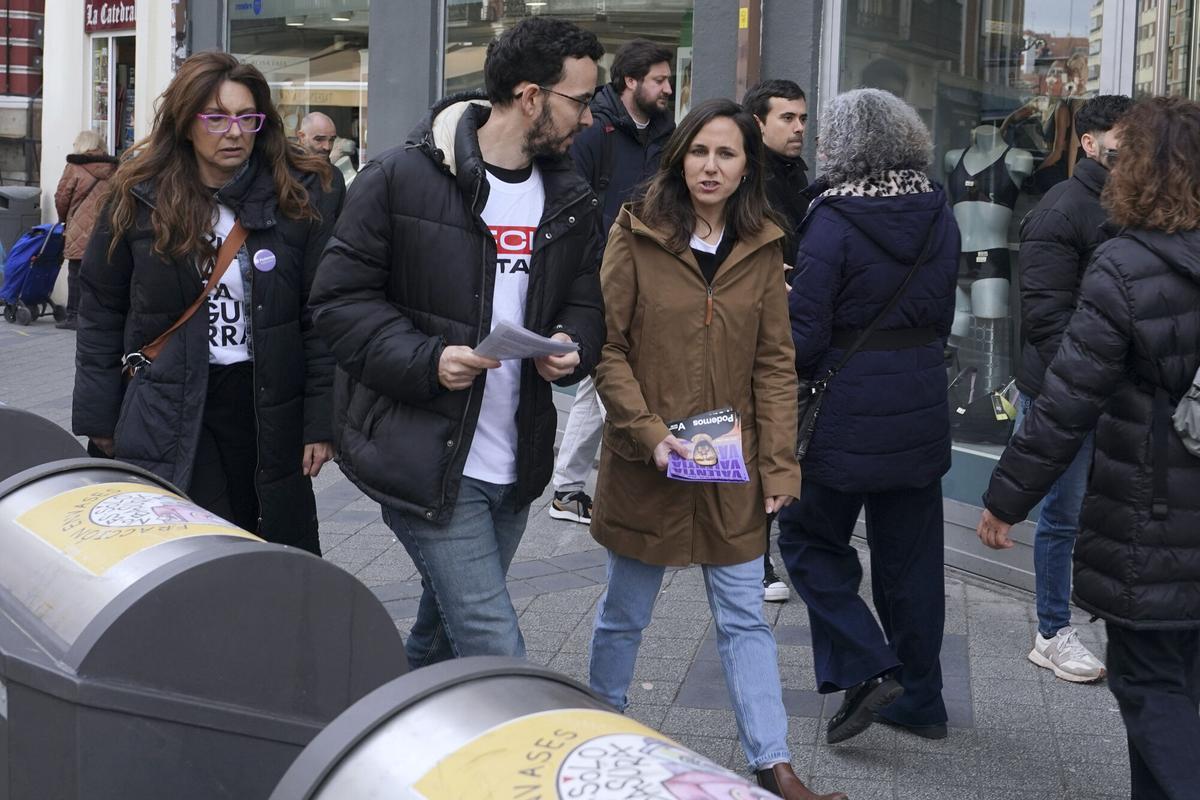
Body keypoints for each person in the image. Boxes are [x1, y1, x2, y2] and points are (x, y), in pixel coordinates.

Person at [309, 17, 605, 668]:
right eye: (581, 101)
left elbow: (587, 296)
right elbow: (337, 302)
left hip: (515, 464)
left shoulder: (571, 197)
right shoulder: (398, 179)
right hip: (426, 457)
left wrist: (571, 341)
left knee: (442, 636)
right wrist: (428, 360)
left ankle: (389, 740)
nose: (589, 119)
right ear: (531, 97)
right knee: (496, 650)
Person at [588, 98, 845, 800]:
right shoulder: (636, 231)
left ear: (745, 165)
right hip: (651, 460)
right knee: (624, 614)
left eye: (726, 154)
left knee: (743, 620)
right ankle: (599, 736)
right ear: (679, 157)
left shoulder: (763, 242)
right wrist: (649, 434)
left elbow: (773, 361)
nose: (710, 166)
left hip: (733, 467)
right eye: (699, 151)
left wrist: (780, 462)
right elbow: (607, 350)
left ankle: (774, 763)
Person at [977, 96, 1200, 800]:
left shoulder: (1124, 265)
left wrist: (1005, 499)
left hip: (1151, 518)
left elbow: (1066, 401)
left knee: (1150, 684)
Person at [72, 52, 342, 555]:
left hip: (265, 403)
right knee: (188, 550)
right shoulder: (138, 194)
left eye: (247, 118)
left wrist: (321, 421)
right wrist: (99, 418)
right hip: (168, 398)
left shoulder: (300, 195)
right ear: (186, 122)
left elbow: (320, 314)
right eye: (217, 118)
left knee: (272, 550)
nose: (234, 132)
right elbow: (101, 307)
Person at [775, 89, 960, 745]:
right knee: (912, 563)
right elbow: (940, 315)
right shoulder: (940, 212)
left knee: (805, 537)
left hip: (845, 412)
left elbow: (805, 339)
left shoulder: (833, 219)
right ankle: (923, 697)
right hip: (918, 407)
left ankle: (865, 661)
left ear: (847, 147)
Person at [1012, 94, 1132, 683]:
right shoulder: (1063, 209)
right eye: (1121, 136)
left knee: (1099, 511)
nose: (1134, 148)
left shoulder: (1132, 205)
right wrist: (1086, 386)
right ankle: (1051, 630)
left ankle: (1094, 616)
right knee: (1061, 515)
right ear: (1090, 144)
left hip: (1115, 392)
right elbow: (1045, 319)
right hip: (1066, 392)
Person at [547, 38, 675, 526]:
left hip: (652, 272)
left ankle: (568, 487)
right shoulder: (592, 130)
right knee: (607, 377)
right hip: (601, 273)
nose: (668, 88)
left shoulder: (666, 133)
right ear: (630, 81)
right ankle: (570, 486)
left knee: (598, 382)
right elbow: (573, 203)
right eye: (660, 80)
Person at [741, 77, 812, 603]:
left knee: (786, 437)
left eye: (803, 118)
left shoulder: (798, 175)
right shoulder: (748, 177)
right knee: (760, 436)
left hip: (798, 317)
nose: (799, 128)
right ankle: (755, 559)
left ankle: (782, 549)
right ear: (759, 122)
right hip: (758, 320)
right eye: (787, 118)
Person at [54, 130, 118, 330]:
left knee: (75, 273)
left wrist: (64, 219)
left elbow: (62, 198)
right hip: (107, 228)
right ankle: (100, 316)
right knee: (103, 274)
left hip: (79, 230)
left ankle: (73, 316)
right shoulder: (114, 167)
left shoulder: (74, 167)